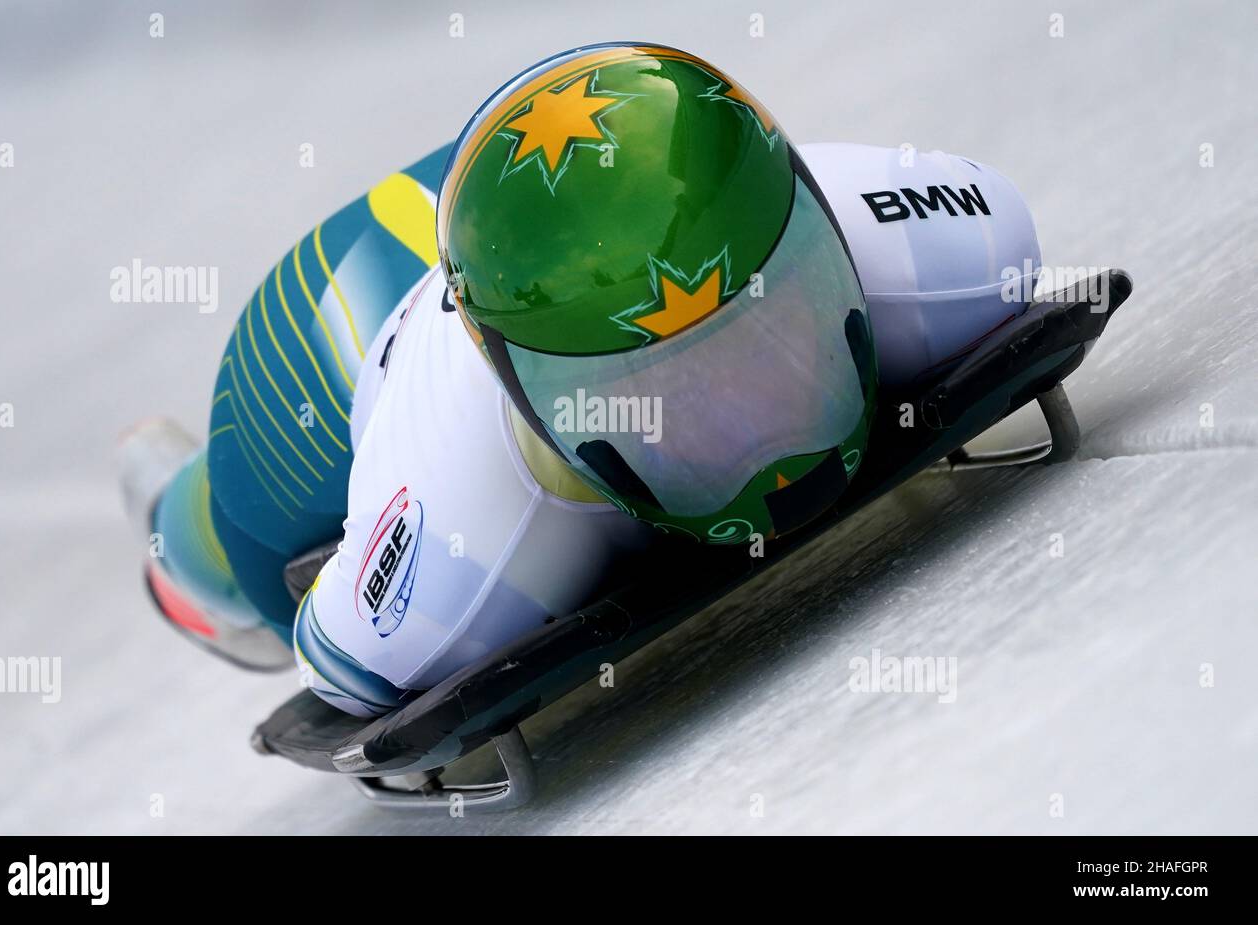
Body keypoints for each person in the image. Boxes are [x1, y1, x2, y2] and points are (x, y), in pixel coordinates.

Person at [120, 42, 1040, 717]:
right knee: (233, 551)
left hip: (567, 166)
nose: (756, 420)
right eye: (668, 387)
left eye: (775, 319)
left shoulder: (947, 252)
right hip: (327, 346)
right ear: (526, 400)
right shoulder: (455, 553)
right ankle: (173, 519)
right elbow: (345, 663)